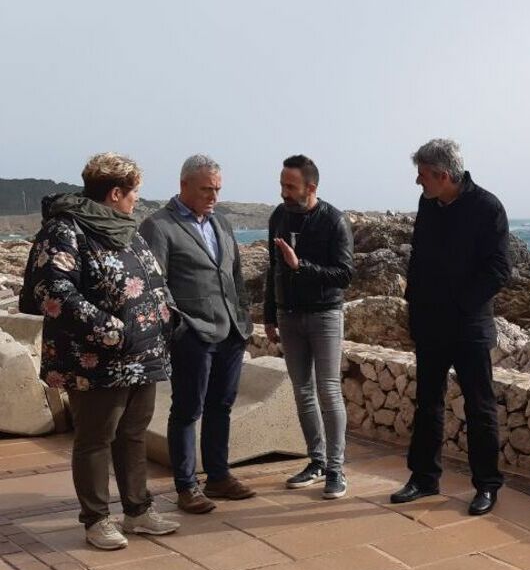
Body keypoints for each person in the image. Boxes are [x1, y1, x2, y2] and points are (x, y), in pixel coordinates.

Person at [26, 153, 179, 549]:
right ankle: (96, 519)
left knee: (132, 434)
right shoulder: (65, 230)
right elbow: (53, 289)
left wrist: (167, 314)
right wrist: (109, 330)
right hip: (93, 358)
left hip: (142, 355)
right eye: (134, 194)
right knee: (95, 438)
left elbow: (153, 278)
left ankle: (138, 511)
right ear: (115, 193)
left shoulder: (128, 230)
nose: (136, 202)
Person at [390, 139, 510, 515]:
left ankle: (487, 486)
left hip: (469, 326)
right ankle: (424, 478)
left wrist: (457, 306)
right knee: (427, 404)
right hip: (429, 325)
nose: (417, 182)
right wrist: (414, 307)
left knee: (480, 407)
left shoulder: (488, 208)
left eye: (422, 175)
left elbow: (498, 271)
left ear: (443, 175)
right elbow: (419, 260)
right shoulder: (429, 204)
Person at [140, 155, 255, 513]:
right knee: (188, 410)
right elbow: (154, 284)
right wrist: (180, 326)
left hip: (230, 332)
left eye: (218, 189)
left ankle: (218, 477)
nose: (214, 196)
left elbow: (235, 275)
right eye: (207, 189)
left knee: (222, 406)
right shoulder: (158, 226)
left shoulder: (221, 223)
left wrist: (244, 319)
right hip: (193, 333)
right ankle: (187, 486)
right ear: (184, 186)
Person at [263, 155, 354, 499]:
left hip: (325, 315)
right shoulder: (278, 216)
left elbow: (344, 275)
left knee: (328, 391)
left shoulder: (334, 221)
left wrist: (302, 266)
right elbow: (274, 269)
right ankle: (316, 461)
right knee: (302, 391)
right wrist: (269, 314)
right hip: (288, 315)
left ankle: (336, 468)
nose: (284, 192)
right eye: (282, 185)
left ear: (310, 187)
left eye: (290, 186)